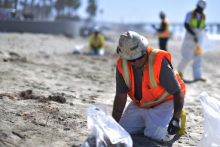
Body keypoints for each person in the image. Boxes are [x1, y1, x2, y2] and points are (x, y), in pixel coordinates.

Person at [112, 31, 186, 142]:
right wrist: (113, 125)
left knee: (162, 135)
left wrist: (175, 118)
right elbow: (120, 96)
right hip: (141, 104)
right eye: (132, 59)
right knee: (121, 130)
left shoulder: (159, 60)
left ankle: (180, 115)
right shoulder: (122, 64)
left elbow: (177, 92)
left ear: (144, 49)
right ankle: (148, 122)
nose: (137, 61)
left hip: (165, 102)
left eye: (140, 56)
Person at [177, 0, 207, 82]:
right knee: (187, 56)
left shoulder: (204, 15)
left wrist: (203, 31)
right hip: (190, 37)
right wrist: (194, 34)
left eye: (203, 8)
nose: (202, 10)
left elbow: (203, 25)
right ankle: (180, 71)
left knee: (199, 56)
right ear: (197, 6)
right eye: (201, 8)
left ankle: (198, 76)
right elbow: (186, 25)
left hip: (199, 37)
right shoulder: (190, 13)